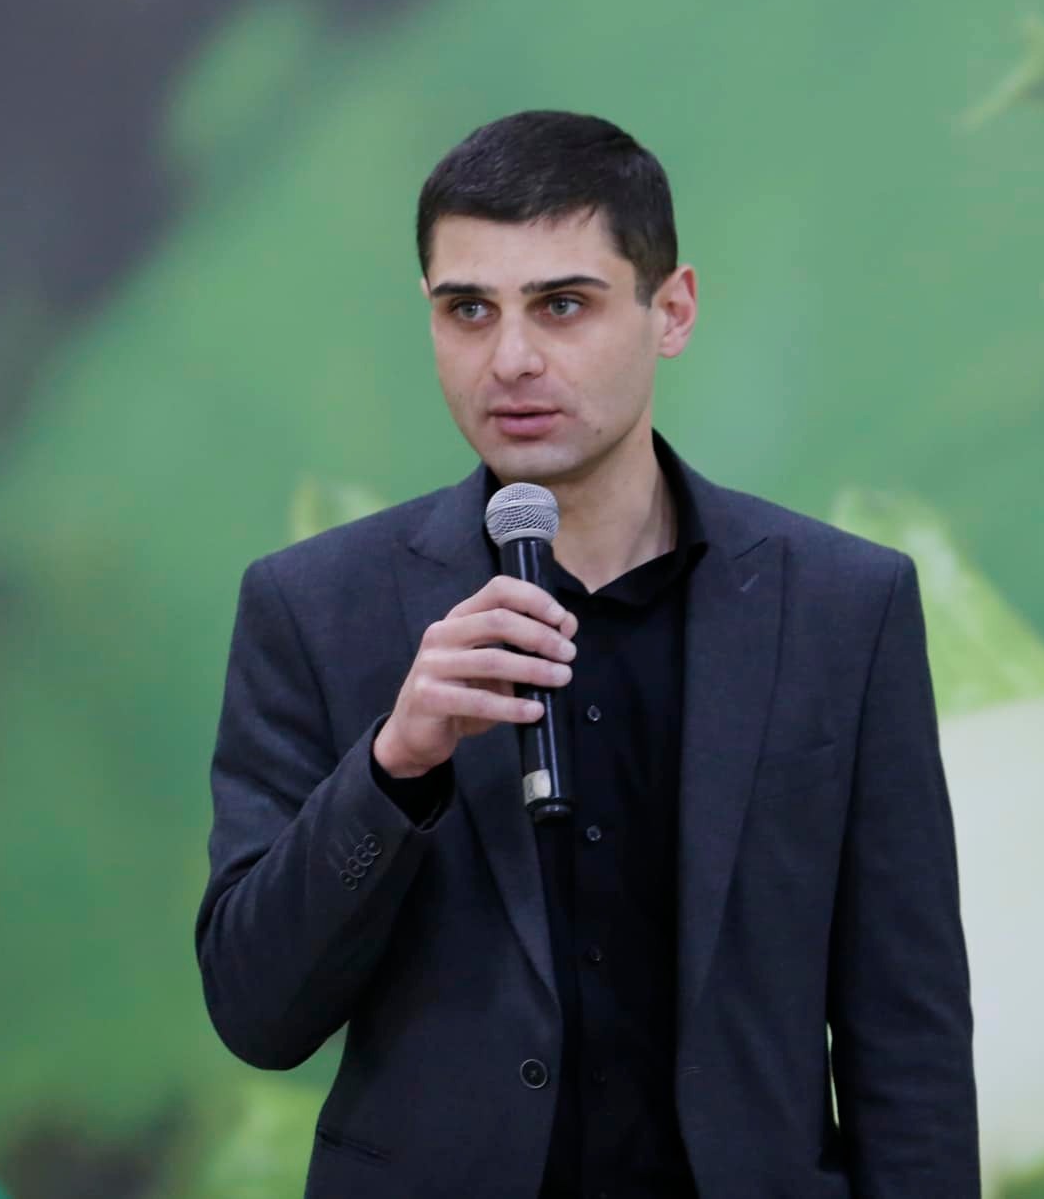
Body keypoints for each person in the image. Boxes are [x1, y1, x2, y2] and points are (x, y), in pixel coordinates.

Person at [194, 111, 977, 1198]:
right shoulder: (314, 607)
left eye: (562, 304)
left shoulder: (842, 606)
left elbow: (909, 1030)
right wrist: (392, 766)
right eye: (468, 310)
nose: (511, 359)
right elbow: (255, 1011)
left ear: (673, 310)